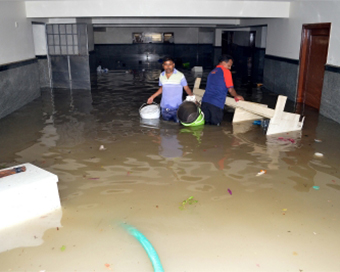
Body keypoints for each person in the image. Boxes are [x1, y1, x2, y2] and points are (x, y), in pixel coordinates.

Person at [201, 54, 244, 125]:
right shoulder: (226, 72)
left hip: (205, 103)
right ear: (223, 62)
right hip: (216, 105)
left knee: (206, 126)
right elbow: (230, 89)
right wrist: (236, 96)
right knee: (216, 130)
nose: (230, 68)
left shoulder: (212, 72)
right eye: (229, 65)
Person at [147, 57, 193, 122]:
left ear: (173, 65)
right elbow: (162, 88)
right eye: (166, 64)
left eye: (170, 64)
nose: (168, 67)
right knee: (165, 127)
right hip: (164, 108)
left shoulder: (180, 75)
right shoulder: (161, 75)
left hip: (177, 108)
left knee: (177, 128)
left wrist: (192, 97)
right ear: (163, 66)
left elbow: (186, 88)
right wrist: (152, 97)